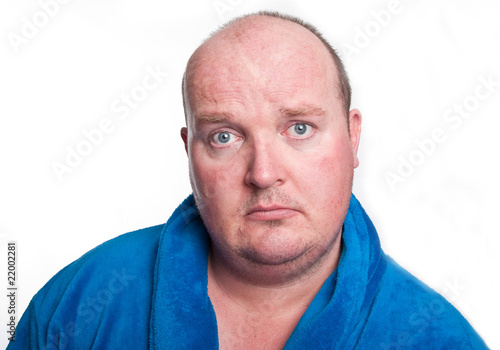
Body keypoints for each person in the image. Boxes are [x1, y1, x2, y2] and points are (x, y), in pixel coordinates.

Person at [9, 11, 487, 349]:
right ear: (188, 151)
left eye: (299, 128)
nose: (262, 174)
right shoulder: (80, 303)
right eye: (224, 136)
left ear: (352, 137)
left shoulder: (437, 338)